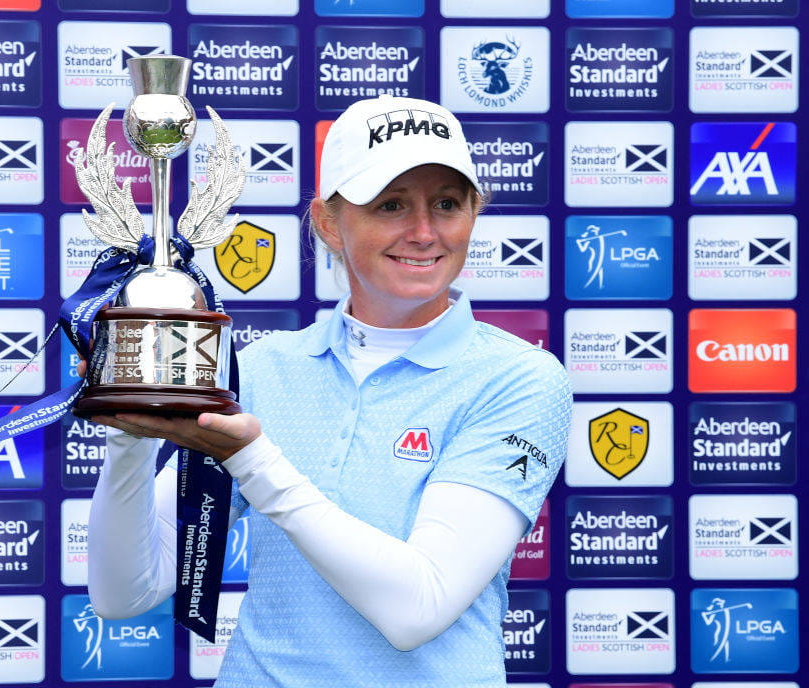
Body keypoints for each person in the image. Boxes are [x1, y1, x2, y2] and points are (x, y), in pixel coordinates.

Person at [86, 95, 572, 688]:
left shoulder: (518, 377)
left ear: (475, 213)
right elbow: (125, 590)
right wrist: (128, 434)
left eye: (446, 204)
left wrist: (254, 461)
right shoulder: (263, 368)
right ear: (327, 223)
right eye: (390, 205)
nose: (423, 233)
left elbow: (418, 608)